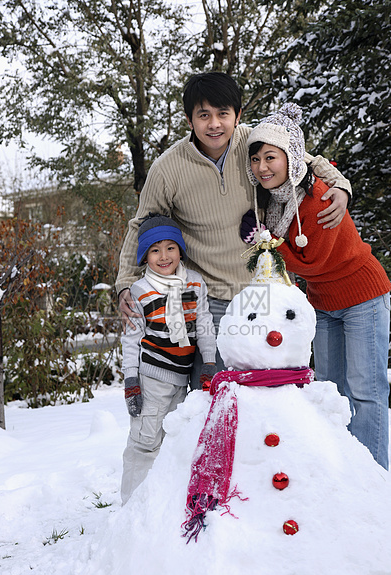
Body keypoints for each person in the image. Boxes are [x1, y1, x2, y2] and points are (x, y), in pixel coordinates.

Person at [116, 72, 352, 385]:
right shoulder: (168, 168)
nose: (214, 124)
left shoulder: (255, 142)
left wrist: (340, 185)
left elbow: (302, 159)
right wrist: (125, 283)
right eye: (204, 115)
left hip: (263, 290)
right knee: (215, 389)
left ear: (237, 116)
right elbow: (142, 224)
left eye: (223, 114)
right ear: (190, 120)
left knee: (272, 386)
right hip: (210, 296)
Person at [240, 102, 391, 469]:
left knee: (366, 392)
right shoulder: (271, 202)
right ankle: (338, 471)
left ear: (290, 158)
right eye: (256, 159)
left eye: (271, 157)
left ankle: (372, 476)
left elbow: (313, 262)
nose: (262, 167)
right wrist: (263, 235)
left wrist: (265, 243)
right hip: (323, 302)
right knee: (328, 389)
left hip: (362, 297)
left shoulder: (319, 195)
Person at [120, 214, 217, 504]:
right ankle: (132, 505)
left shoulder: (195, 283)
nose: (164, 256)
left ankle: (162, 503)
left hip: (182, 376)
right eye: (155, 249)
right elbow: (131, 337)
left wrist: (209, 362)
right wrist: (131, 379)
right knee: (145, 441)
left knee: (174, 439)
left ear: (180, 250)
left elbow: (204, 323)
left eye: (170, 247)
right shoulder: (139, 291)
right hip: (151, 377)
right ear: (144, 256)